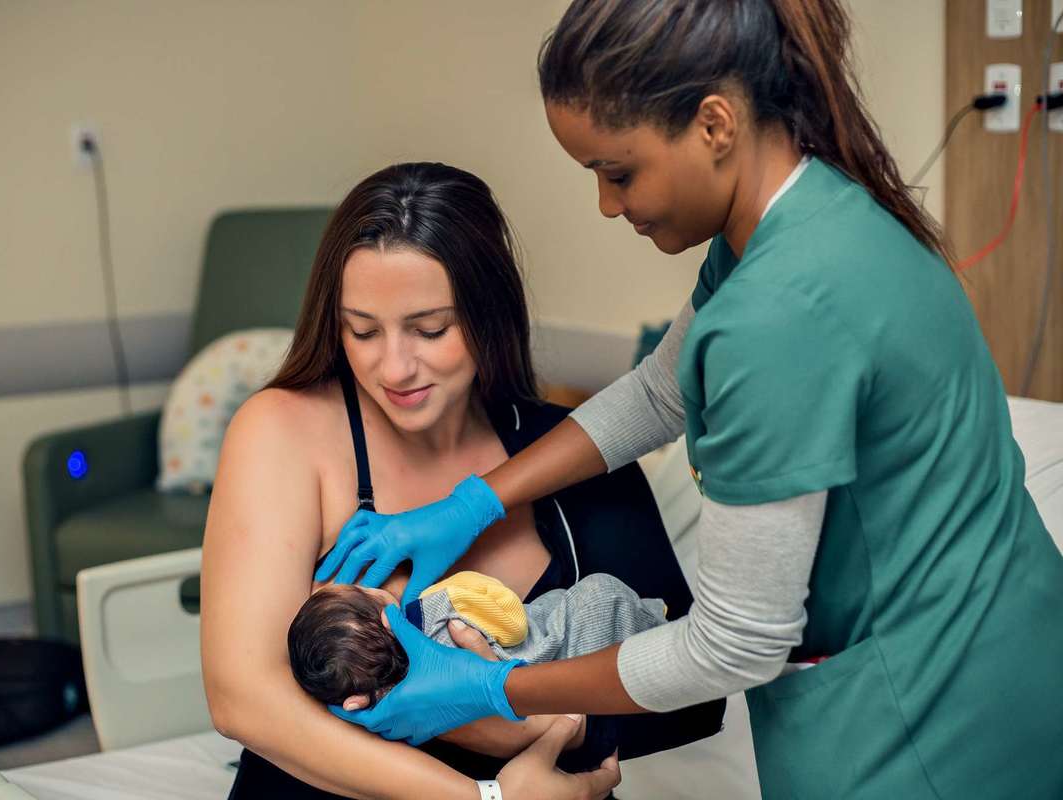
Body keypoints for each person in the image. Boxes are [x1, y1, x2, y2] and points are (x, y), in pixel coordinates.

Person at [317, 2, 1063, 798]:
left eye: (618, 172)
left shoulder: (777, 315)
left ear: (714, 124)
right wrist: (473, 504)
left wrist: (490, 688)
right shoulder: (806, 218)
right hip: (1006, 643)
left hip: (928, 718)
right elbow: (659, 390)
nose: (608, 205)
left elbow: (736, 643)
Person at [200, 161, 724, 800]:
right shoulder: (283, 432)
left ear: (487, 313)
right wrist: (489, 792)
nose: (393, 365)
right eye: (361, 329)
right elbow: (243, 699)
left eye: (430, 329)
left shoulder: (569, 453)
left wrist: (483, 708)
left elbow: (692, 699)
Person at [288, 570, 669, 713]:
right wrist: (462, 589)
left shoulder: (408, 693)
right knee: (599, 595)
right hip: (572, 633)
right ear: (382, 610)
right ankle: (655, 621)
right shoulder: (437, 608)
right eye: (363, 588)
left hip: (560, 699)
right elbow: (515, 626)